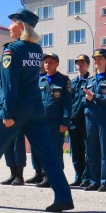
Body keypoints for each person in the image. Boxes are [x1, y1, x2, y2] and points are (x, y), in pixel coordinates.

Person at [0, 7, 74, 213]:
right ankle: (64, 196)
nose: (9, 27)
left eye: (12, 23)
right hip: (36, 109)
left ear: (21, 26)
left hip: (16, 108)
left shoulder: (12, 50)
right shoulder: (37, 50)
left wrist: (8, 113)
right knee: (48, 154)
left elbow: (10, 84)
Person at [83, 48, 106, 192]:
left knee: (105, 151)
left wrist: (95, 97)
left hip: (104, 118)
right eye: (95, 59)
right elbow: (84, 98)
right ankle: (94, 181)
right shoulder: (90, 79)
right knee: (92, 151)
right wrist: (88, 100)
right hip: (90, 117)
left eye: (100, 58)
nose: (96, 61)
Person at [34, 52, 72, 188]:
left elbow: (67, 103)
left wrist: (64, 122)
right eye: (45, 62)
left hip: (56, 122)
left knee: (55, 150)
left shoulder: (63, 80)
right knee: (44, 150)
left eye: (50, 62)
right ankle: (46, 176)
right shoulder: (41, 80)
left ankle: (57, 177)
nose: (47, 65)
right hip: (41, 122)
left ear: (57, 64)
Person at [69, 54, 91, 186]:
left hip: (85, 120)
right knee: (76, 151)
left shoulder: (90, 80)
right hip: (73, 121)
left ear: (88, 64)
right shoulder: (72, 82)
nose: (80, 64)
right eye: (78, 62)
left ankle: (86, 177)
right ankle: (78, 176)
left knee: (88, 151)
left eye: (83, 62)